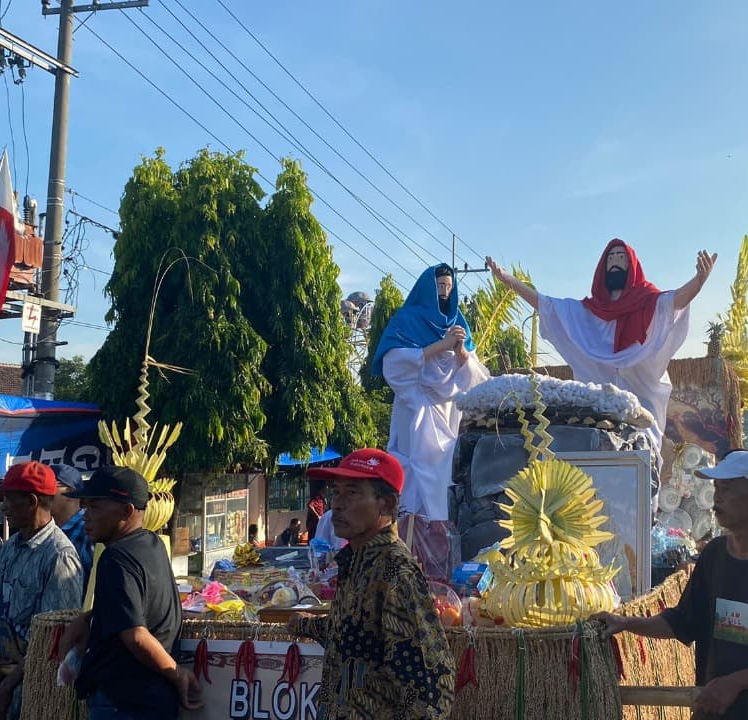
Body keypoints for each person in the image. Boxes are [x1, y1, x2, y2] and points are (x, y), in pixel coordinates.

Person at [595, 450, 748, 719]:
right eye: (716, 487)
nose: (718, 496)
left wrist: (734, 683)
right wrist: (626, 623)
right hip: (717, 711)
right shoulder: (714, 556)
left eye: (727, 488)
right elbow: (682, 621)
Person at [487, 241, 716, 463]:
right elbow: (546, 306)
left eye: (621, 258)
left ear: (632, 266)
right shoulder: (587, 314)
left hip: (642, 422)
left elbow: (674, 301)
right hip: (596, 425)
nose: (615, 262)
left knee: (641, 484)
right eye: (611, 258)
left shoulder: (648, 304)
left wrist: (698, 282)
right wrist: (509, 281)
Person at [286, 449, 455, 718]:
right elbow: (355, 631)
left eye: (352, 492)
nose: (337, 504)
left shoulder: (395, 572)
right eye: (336, 492)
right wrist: (305, 624)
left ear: (386, 505)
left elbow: (432, 686)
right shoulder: (356, 561)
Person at [59, 465, 202, 719]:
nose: (85, 516)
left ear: (126, 511)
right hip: (152, 699)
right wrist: (91, 617)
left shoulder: (116, 558)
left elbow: (136, 635)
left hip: (124, 701)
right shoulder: (153, 544)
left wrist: (178, 673)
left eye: (94, 507)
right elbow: (135, 607)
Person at [372, 264, 489, 525]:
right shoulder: (406, 321)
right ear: (428, 288)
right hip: (417, 408)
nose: (445, 292)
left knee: (448, 473)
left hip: (449, 412)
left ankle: (444, 534)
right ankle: (411, 534)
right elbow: (394, 366)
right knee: (415, 473)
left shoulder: (459, 325)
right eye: (440, 286)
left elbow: (477, 381)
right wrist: (440, 346)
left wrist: (461, 353)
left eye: (449, 286)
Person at [0, 462, 83, 720]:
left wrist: (5, 689)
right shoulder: (9, 547)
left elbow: (52, 642)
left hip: (30, 694)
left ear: (32, 501)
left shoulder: (60, 557)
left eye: (9, 499)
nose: (3, 506)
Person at [50, 464, 94, 586]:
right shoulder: (43, 533)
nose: (43, 493)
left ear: (70, 492)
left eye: (49, 487)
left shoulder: (89, 532)